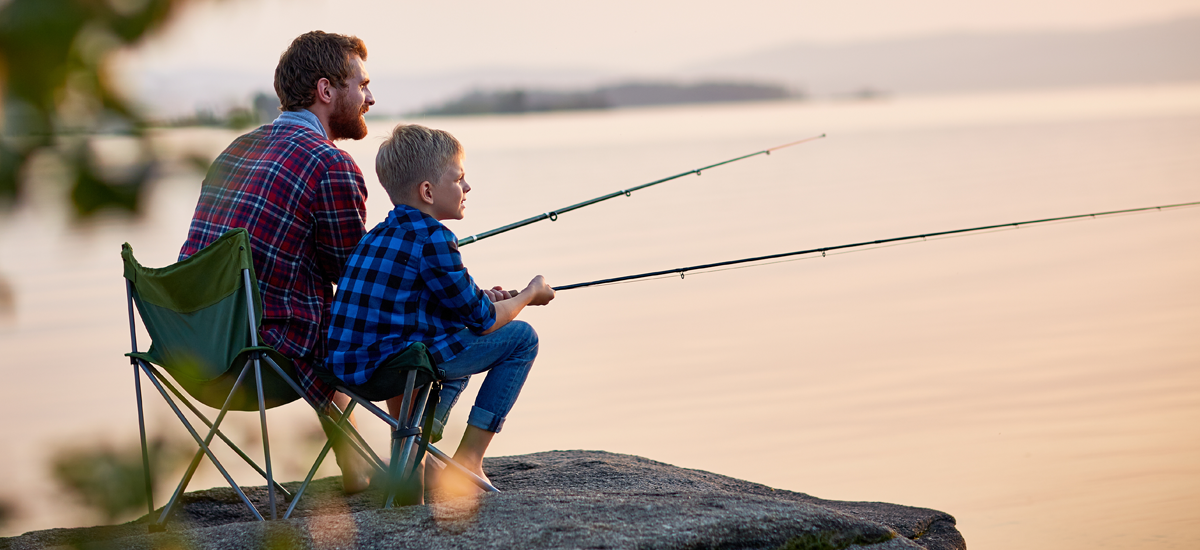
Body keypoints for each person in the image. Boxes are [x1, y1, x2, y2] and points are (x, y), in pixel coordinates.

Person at [178, 31, 376, 493]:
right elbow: (353, 282)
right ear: (327, 91)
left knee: (304, 309)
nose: (370, 97)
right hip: (259, 360)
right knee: (370, 315)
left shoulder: (235, 150)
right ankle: (408, 467)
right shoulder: (331, 164)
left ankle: (357, 464)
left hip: (192, 349)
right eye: (361, 85)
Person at [323, 123, 555, 499]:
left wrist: (485, 296)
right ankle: (468, 460)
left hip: (351, 372)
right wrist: (529, 293)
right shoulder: (435, 239)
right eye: (459, 179)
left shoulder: (375, 236)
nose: (467, 188)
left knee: (455, 335)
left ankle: (417, 455)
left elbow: (420, 299)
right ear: (428, 192)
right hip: (398, 369)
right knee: (521, 338)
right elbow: (482, 319)